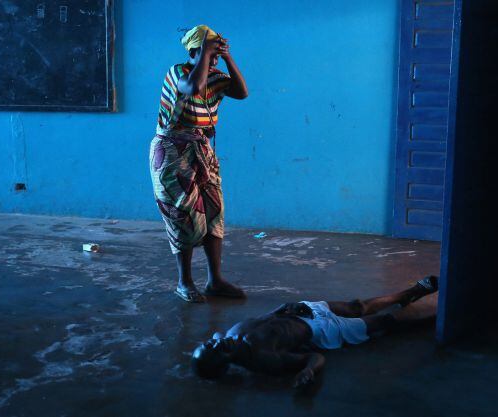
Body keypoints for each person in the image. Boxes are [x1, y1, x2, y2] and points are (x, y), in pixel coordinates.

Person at [191, 276, 439, 387]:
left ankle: (412, 291)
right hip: (323, 330)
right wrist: (309, 371)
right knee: (385, 322)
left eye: (210, 344)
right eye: (217, 350)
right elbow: (314, 357)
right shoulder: (264, 359)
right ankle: (436, 320)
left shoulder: (230, 335)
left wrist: (282, 308)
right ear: (227, 363)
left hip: (301, 312)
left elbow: (265, 319)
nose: (217, 343)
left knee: (358, 305)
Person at [149, 25, 248, 303]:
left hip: (201, 149)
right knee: (181, 213)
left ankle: (215, 280)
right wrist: (205, 51)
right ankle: (184, 282)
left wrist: (228, 59)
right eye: (210, 50)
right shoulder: (178, 72)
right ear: (194, 51)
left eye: (217, 51)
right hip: (172, 151)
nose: (214, 56)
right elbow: (193, 88)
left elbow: (242, 93)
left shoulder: (215, 75)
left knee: (214, 211)